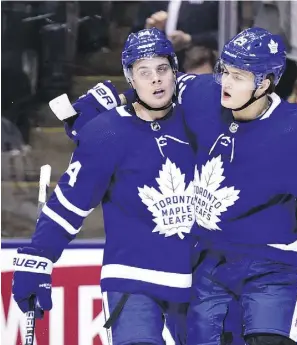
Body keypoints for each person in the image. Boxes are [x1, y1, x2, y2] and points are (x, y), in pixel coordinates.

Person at [54, 28, 297, 345]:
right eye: (225, 70)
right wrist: (95, 105)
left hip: (272, 265)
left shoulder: (293, 131)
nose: (226, 82)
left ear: (265, 83)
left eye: (239, 76)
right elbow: (154, 80)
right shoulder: (204, 94)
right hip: (210, 265)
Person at [11, 28, 196, 345]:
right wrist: (37, 258)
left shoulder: (199, 117)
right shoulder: (107, 133)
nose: (156, 79)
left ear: (175, 71)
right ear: (131, 77)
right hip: (132, 279)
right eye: (144, 71)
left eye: (163, 69)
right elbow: (68, 206)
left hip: (201, 278)